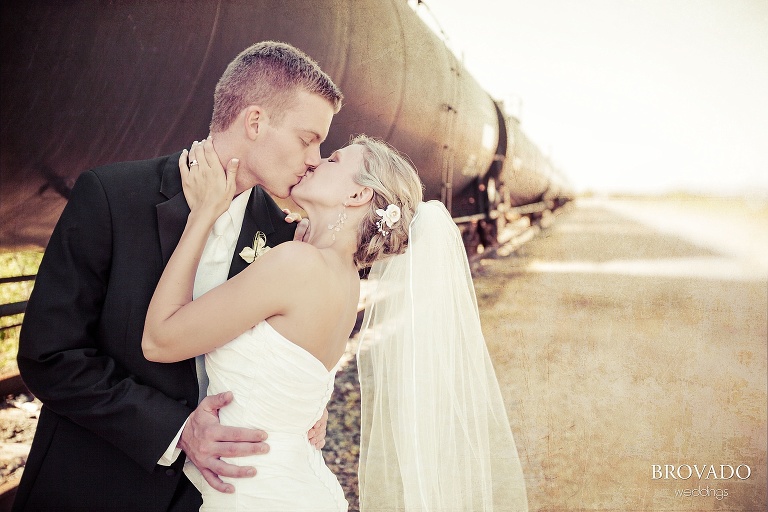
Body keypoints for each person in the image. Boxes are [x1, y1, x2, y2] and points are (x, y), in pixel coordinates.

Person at [14, 41, 343, 512]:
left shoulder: (282, 235)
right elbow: (49, 354)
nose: (316, 158)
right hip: (98, 485)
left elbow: (285, 348)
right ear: (255, 122)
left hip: (217, 496)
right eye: (307, 138)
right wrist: (176, 429)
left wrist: (306, 406)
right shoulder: (112, 196)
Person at [142, 133, 528, 511]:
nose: (316, 160)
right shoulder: (343, 279)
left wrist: (203, 215)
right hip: (287, 484)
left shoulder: (298, 263)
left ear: (357, 195)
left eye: (335, 159)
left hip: (246, 492)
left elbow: (159, 341)